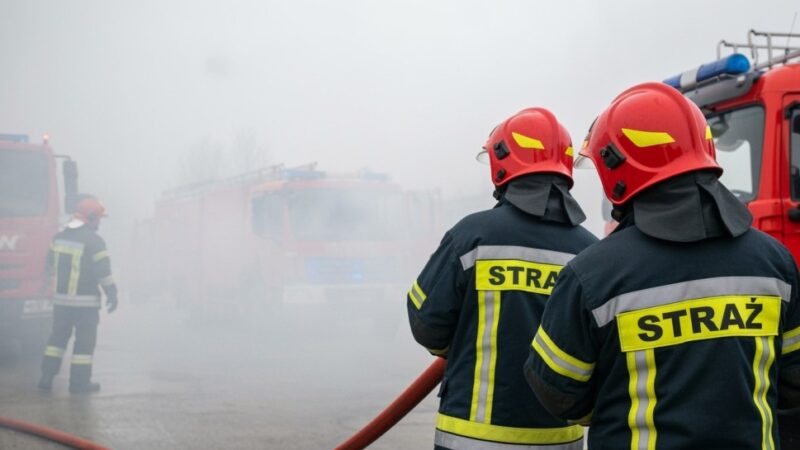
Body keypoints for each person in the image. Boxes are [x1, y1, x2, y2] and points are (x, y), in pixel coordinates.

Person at [523, 82, 800, 449]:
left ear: (617, 167)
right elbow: (792, 383)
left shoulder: (592, 275)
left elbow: (556, 390)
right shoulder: (775, 262)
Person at [407, 107, 598, 450]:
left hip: (472, 437)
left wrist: (463, 341)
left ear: (501, 164)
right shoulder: (592, 252)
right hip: (561, 440)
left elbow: (426, 321)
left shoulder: (472, 236)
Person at [38, 197, 118, 394]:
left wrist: (47, 288)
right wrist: (112, 293)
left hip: (61, 303)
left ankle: (46, 377)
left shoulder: (58, 238)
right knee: (84, 344)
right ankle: (79, 384)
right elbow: (103, 272)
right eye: (98, 218)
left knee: (56, 340)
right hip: (85, 305)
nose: (99, 222)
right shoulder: (94, 241)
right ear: (90, 218)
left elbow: (48, 266)